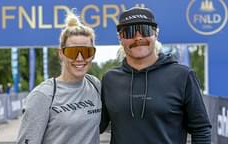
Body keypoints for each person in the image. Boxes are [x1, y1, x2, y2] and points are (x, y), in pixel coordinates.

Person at [100, 7, 212, 144]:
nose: (138, 37)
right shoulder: (109, 80)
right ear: (120, 38)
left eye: (145, 30)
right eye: (129, 32)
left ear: (156, 34)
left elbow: (201, 129)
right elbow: (94, 125)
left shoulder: (183, 76)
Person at [17, 10, 101, 144]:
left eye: (86, 51)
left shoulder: (95, 85)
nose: (80, 58)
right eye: (73, 51)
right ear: (61, 53)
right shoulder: (43, 95)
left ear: (93, 54)